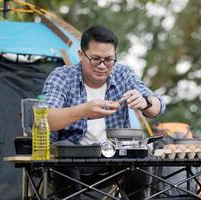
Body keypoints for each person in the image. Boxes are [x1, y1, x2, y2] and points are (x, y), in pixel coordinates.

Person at [42, 25, 166, 199]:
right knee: (63, 148)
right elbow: (46, 119)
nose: (102, 66)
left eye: (109, 60)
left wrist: (145, 102)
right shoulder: (62, 77)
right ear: (81, 55)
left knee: (142, 155)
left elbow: (158, 106)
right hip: (72, 162)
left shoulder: (123, 74)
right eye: (95, 59)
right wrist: (83, 110)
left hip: (116, 161)